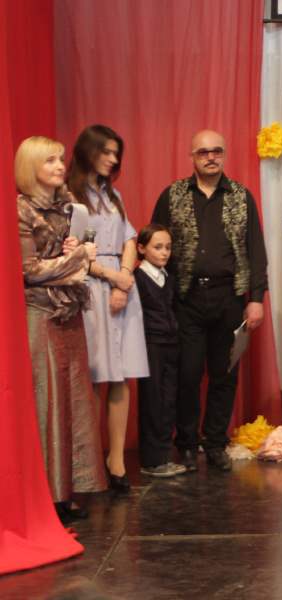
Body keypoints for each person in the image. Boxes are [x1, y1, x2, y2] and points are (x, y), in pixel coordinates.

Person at [151, 130, 268, 472]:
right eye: (203, 152)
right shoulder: (172, 195)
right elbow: (154, 243)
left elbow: (256, 251)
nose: (211, 157)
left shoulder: (241, 197)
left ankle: (215, 443)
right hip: (185, 299)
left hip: (229, 297)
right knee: (187, 375)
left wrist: (256, 298)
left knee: (224, 375)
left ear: (224, 154)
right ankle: (187, 444)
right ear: (192, 156)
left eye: (217, 151)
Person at [16, 136, 108, 522]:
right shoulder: (22, 210)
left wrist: (74, 251)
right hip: (42, 314)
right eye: (50, 160)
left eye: (60, 159)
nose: (59, 166)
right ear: (31, 167)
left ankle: (70, 489)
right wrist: (76, 260)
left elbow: (64, 257)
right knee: (49, 400)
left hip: (69, 311)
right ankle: (48, 494)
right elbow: (29, 271)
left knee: (74, 399)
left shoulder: (65, 205)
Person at [67, 125, 149, 493]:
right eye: (107, 152)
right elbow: (69, 251)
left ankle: (116, 462)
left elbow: (130, 238)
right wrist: (111, 276)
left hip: (121, 286)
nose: (113, 159)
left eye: (117, 153)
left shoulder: (113, 195)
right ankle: (86, 464)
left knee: (122, 375)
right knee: (94, 375)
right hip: (89, 286)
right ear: (89, 151)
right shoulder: (70, 195)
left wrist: (126, 277)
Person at [134, 224, 187, 478]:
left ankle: (163, 456)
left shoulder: (167, 277)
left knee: (168, 399)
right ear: (141, 248)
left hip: (170, 343)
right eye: (157, 247)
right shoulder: (138, 278)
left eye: (167, 247)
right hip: (151, 344)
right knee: (153, 400)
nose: (164, 252)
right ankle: (152, 460)